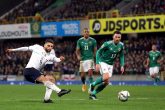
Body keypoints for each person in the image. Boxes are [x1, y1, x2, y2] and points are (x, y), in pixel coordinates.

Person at [6, 39, 71, 103]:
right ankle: (59, 91)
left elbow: (56, 59)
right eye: (48, 45)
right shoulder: (37, 47)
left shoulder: (50, 56)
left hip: (34, 74)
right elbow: (26, 48)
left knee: (51, 79)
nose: (50, 47)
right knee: (45, 79)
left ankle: (47, 99)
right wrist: (13, 50)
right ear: (44, 45)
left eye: (51, 46)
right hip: (29, 70)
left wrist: (60, 59)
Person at [89, 31, 124, 100]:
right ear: (113, 37)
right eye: (116, 37)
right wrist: (97, 63)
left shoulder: (121, 45)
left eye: (119, 37)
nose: (117, 38)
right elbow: (98, 52)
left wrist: (122, 65)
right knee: (106, 76)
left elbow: (121, 55)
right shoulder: (107, 44)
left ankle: (93, 94)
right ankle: (92, 84)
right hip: (103, 62)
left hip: (110, 65)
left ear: (120, 38)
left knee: (106, 82)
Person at [76, 28, 97, 92]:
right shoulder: (80, 40)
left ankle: (91, 87)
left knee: (90, 73)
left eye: (87, 32)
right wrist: (78, 56)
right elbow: (77, 50)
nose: (86, 33)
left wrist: (94, 57)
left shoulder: (93, 40)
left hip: (90, 59)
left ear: (89, 33)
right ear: (83, 33)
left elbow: (95, 49)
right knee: (82, 75)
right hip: (83, 59)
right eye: (85, 32)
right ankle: (84, 84)